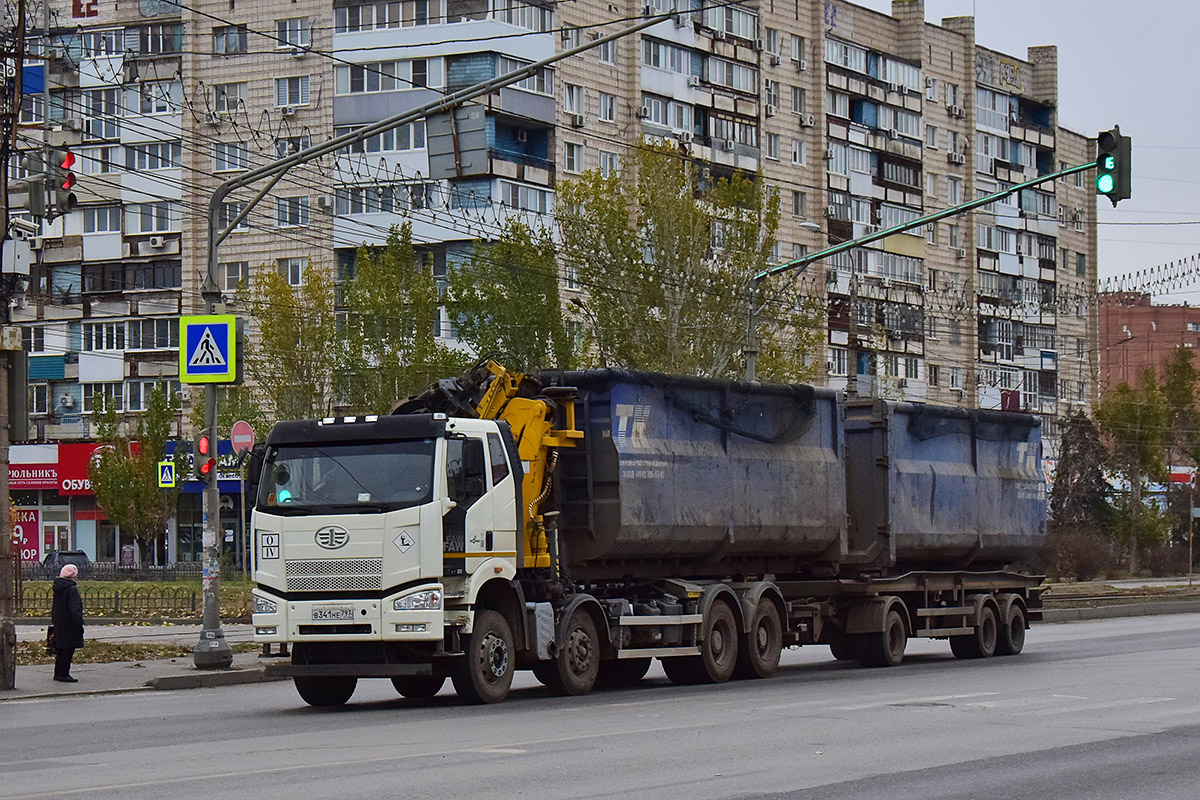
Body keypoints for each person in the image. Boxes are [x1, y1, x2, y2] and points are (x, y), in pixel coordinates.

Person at [51, 563, 85, 683]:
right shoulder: (72, 590)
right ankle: (64, 674)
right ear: (73, 576)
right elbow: (75, 609)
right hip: (70, 624)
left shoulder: (58, 588)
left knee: (61, 649)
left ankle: (58, 673)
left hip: (60, 623)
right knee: (68, 649)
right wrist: (79, 625)